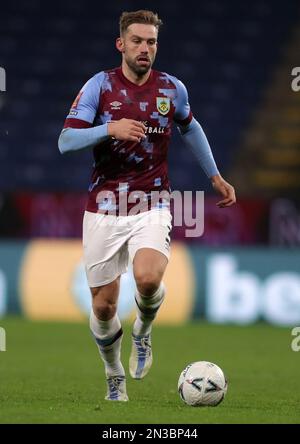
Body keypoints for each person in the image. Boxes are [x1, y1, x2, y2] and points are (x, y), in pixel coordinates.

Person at [58, 9, 236, 402]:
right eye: (137, 41)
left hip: (152, 202)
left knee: (148, 279)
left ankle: (143, 329)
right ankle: (113, 372)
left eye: (151, 42)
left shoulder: (172, 89)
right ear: (121, 44)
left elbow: (190, 127)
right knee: (104, 308)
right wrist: (109, 129)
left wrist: (215, 176)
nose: (145, 48)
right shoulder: (99, 87)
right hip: (103, 207)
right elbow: (65, 142)